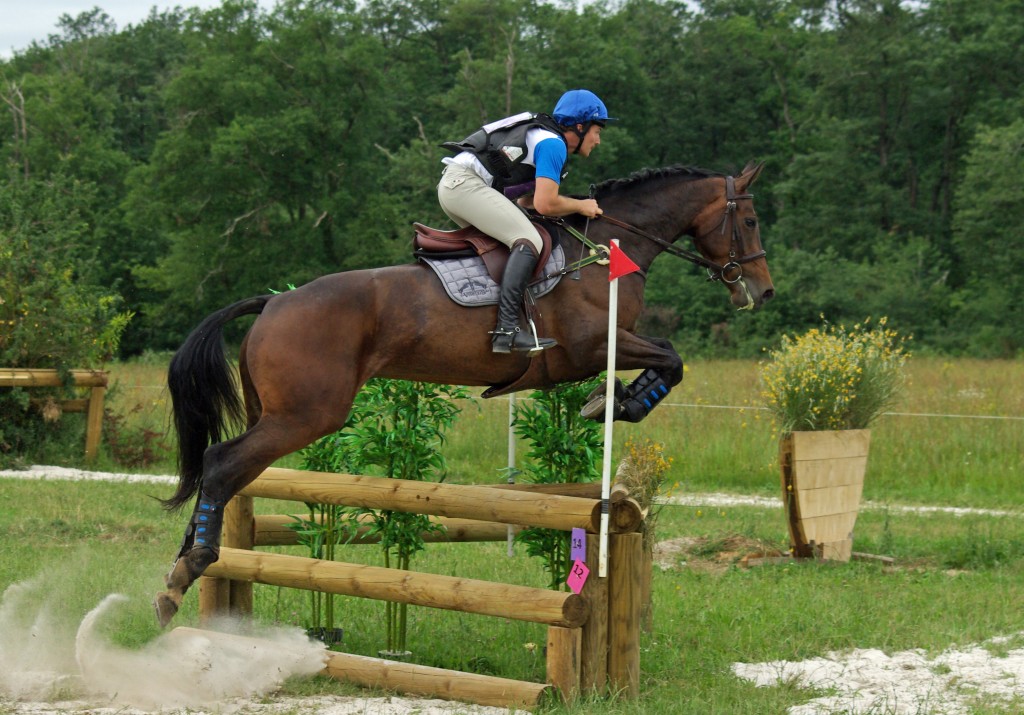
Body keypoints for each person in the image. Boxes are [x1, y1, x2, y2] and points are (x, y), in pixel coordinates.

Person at [438, 89, 613, 355]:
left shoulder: (546, 139)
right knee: (528, 239)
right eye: (597, 132)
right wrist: (581, 205)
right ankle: (506, 331)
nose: (598, 140)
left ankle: (480, 313)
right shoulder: (553, 145)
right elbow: (546, 204)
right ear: (580, 127)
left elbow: (528, 202)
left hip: (459, 186)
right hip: (465, 186)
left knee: (514, 240)